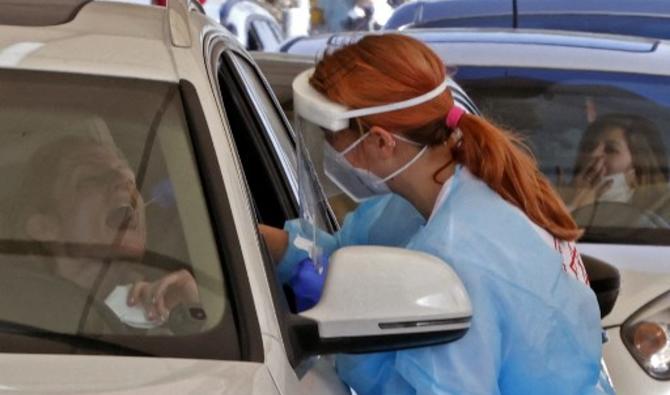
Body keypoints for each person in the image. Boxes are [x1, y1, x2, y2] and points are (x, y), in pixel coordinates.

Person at [261, 34, 615, 394]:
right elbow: (348, 255)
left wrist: (356, 349)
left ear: (382, 142)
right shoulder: (455, 189)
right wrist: (266, 244)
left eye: (330, 137)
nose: (331, 151)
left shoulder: (458, 259)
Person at [13, 136, 201, 329]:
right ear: (44, 228)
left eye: (129, 177)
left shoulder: (154, 313)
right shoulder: (16, 316)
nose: (125, 181)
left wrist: (191, 312)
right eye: (91, 179)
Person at [565, 113, 669, 216]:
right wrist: (571, 205)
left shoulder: (662, 215)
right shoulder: (556, 196)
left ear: (639, 164)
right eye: (588, 147)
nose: (593, 154)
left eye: (610, 150)